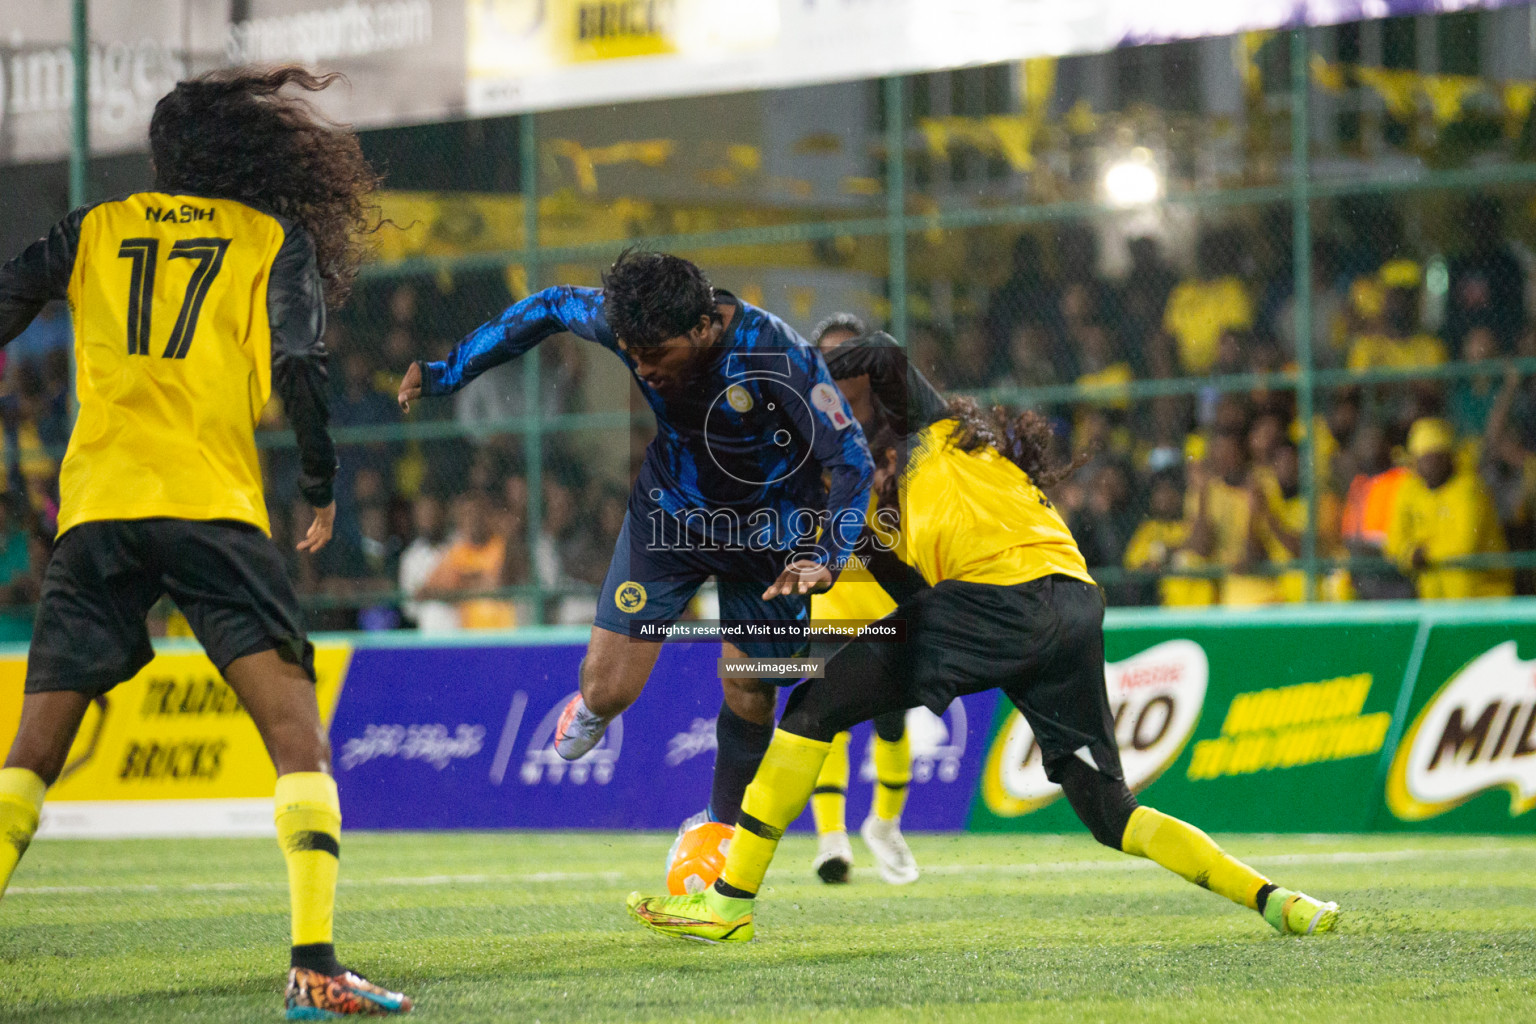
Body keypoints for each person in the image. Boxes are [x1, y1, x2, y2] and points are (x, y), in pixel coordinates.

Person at [625, 345, 1338, 943]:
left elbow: (879, 352)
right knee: (1110, 813)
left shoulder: (936, 433)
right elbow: (914, 611)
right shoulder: (899, 512)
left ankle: (728, 902)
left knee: (813, 709)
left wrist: (796, 372)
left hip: (1009, 601)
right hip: (1071, 605)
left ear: (884, 439)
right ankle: (1277, 902)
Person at [0, 68, 410, 1016]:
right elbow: (302, 365)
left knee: (31, 753)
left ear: (161, 158)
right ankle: (313, 966)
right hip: (210, 509)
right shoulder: (272, 239)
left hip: (97, 511)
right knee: (296, 740)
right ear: (254, 153)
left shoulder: (93, 230)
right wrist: (318, 481)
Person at [397, 250, 872, 831]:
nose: (642, 369)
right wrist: (449, 372)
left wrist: (826, 556)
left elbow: (851, 458)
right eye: (634, 353)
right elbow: (546, 306)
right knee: (608, 689)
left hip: (771, 532)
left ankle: (717, 835)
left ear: (701, 329)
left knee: (750, 687)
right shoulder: (629, 324)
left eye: (656, 356)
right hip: (671, 516)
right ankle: (593, 708)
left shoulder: (774, 351)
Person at [803, 322, 928, 887]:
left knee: (892, 722)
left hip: (885, 604)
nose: (843, 367)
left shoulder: (897, 432)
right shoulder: (800, 430)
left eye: (852, 356)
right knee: (826, 722)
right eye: (831, 357)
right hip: (828, 604)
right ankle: (832, 840)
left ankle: (884, 825)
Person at [1386, 418, 1512, 600]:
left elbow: (1464, 544)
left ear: (1449, 457)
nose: (1428, 465)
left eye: (1434, 457)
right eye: (1421, 459)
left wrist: (1424, 554)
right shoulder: (1409, 489)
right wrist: (1410, 554)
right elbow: (1394, 542)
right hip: (1434, 601)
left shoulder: (1469, 488)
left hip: (1483, 600)